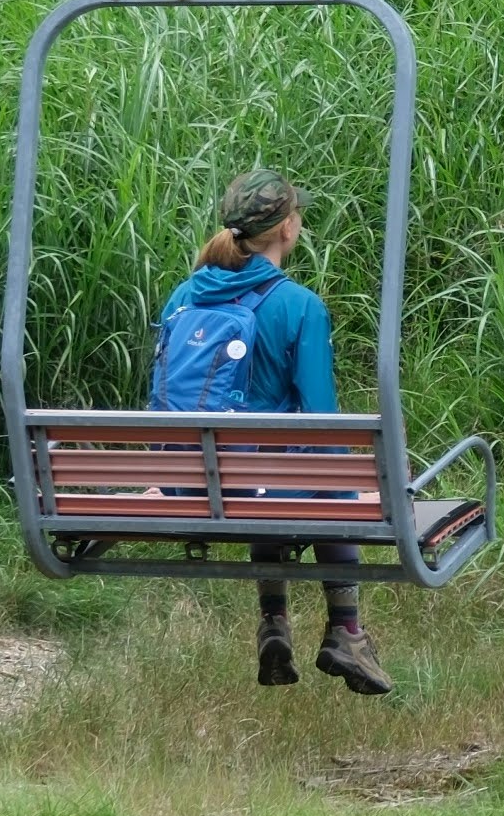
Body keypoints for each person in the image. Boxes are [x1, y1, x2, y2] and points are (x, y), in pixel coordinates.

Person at [151, 171, 389, 695]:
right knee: (322, 471)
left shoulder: (183, 297)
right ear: (287, 228)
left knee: (263, 469)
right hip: (266, 485)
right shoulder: (300, 306)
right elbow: (323, 420)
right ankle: (346, 631)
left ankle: (274, 621)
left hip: (190, 483)